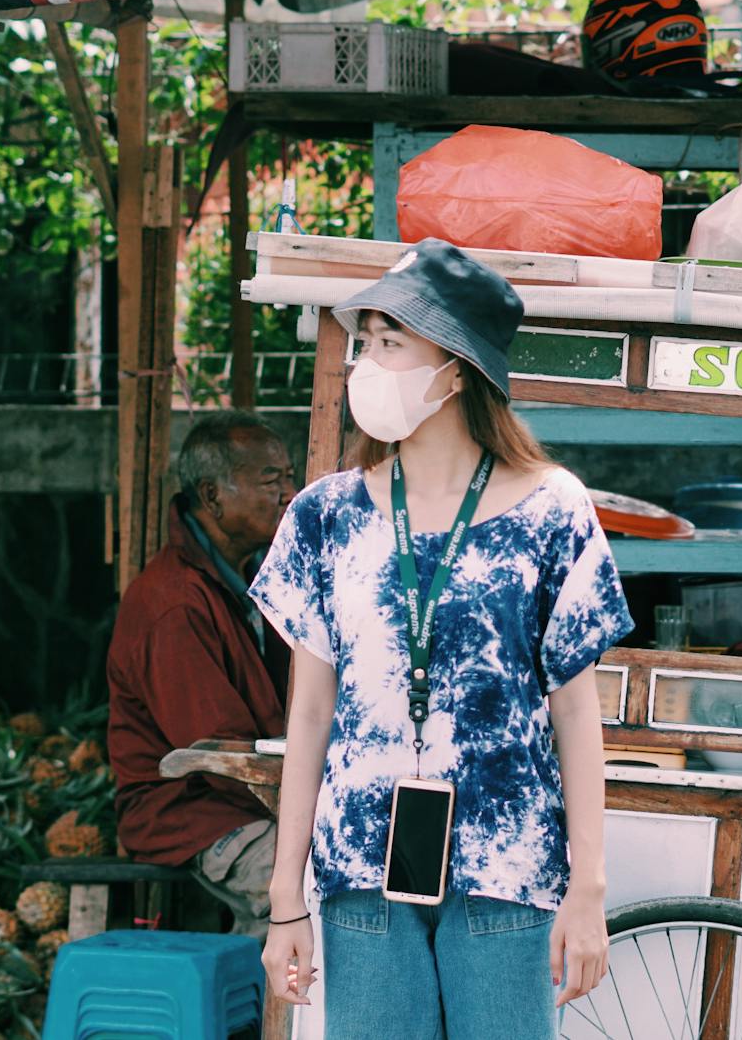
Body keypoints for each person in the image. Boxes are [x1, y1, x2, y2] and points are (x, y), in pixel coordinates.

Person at [253, 239, 633, 1037]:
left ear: (457, 368)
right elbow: (310, 717)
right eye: (366, 343)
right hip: (363, 872)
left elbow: (575, 712)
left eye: (392, 343)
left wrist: (588, 887)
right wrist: (286, 898)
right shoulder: (326, 517)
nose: (370, 362)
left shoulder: (551, 511)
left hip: (508, 869)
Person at [107, 411, 296, 938]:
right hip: (192, 811)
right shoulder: (172, 604)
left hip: (247, 797)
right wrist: (307, 809)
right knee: (307, 885)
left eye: (289, 475)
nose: (290, 492)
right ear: (213, 497)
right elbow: (217, 752)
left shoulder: (250, 575)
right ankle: (258, 1017)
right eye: (272, 480)